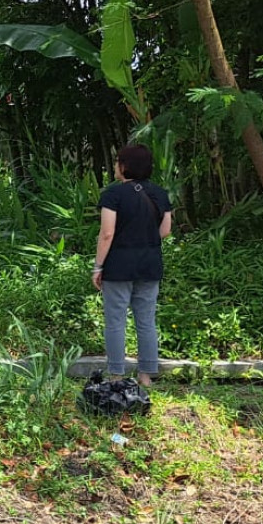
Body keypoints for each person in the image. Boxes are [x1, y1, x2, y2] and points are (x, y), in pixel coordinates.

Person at [92, 143, 173, 386]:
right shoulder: (160, 193)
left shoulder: (112, 194)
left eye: (118, 162)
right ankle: (146, 376)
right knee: (146, 320)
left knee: (115, 321)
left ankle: (117, 375)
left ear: (124, 166)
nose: (116, 166)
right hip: (150, 264)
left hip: (118, 265)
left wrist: (98, 266)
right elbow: (166, 231)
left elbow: (107, 233)